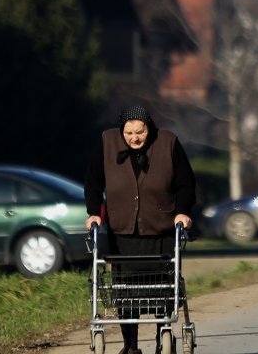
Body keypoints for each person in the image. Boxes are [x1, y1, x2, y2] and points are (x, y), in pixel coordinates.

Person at [84, 104, 196, 354]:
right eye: (129, 133)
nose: (135, 138)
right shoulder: (106, 142)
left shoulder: (168, 142)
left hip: (161, 229)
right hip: (122, 232)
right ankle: (130, 345)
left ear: (149, 128)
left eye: (140, 132)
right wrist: (93, 213)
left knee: (161, 288)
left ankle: (162, 334)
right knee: (126, 290)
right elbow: (93, 182)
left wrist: (183, 211)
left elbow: (186, 183)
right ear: (121, 130)